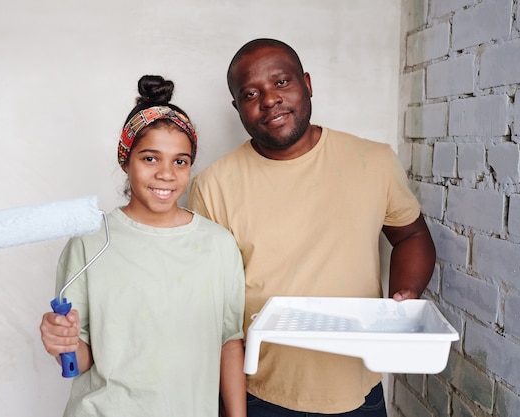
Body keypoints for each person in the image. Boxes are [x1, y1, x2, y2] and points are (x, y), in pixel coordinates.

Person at [187, 39, 436, 416]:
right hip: (260, 392)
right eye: (251, 93)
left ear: (307, 83)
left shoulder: (374, 160)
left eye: (282, 83)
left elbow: (411, 235)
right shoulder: (213, 185)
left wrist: (406, 294)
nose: (269, 100)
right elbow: (210, 310)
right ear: (237, 107)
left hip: (360, 387)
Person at [40, 75, 246, 417]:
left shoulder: (219, 245)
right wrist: (63, 342)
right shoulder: (91, 240)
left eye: (180, 161)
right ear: (126, 160)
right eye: (150, 158)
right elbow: (82, 356)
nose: (166, 173)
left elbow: (229, 343)